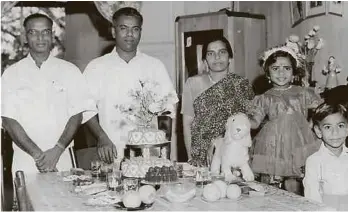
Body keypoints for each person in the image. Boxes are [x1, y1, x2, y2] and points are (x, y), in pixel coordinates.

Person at [83, 7, 178, 164]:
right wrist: (101, 137)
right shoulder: (96, 67)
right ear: (113, 32)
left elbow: (167, 111)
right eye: (123, 28)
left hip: (149, 154)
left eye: (135, 29)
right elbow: (85, 109)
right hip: (111, 152)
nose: (129, 34)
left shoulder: (155, 66)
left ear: (140, 32)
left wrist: (163, 147)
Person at [1, 13, 94, 174]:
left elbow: (77, 114)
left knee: (64, 199)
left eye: (45, 32)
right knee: (25, 199)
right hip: (26, 160)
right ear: (25, 36)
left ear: (52, 35)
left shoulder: (70, 71)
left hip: (63, 157)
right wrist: (39, 156)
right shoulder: (11, 74)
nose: (40, 37)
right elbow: (9, 120)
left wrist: (56, 151)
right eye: (33, 32)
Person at [249, 45, 322, 194]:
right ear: (268, 74)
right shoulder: (264, 97)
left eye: (286, 68)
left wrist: (311, 124)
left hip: (299, 143)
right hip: (272, 145)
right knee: (271, 184)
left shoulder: (303, 93)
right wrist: (240, 119)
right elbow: (255, 122)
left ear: (294, 73)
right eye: (275, 68)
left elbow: (321, 111)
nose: (281, 72)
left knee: (294, 181)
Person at [181, 36, 255, 166]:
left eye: (222, 52)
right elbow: (187, 123)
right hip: (200, 154)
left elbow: (248, 123)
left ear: (230, 57)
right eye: (211, 54)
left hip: (232, 152)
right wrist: (191, 158)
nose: (217, 57)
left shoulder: (241, 84)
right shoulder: (192, 83)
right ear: (204, 60)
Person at [303, 102, 348, 211]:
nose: (335, 132)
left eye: (340, 126)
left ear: (347, 129)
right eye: (328, 127)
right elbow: (312, 197)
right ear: (318, 131)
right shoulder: (314, 161)